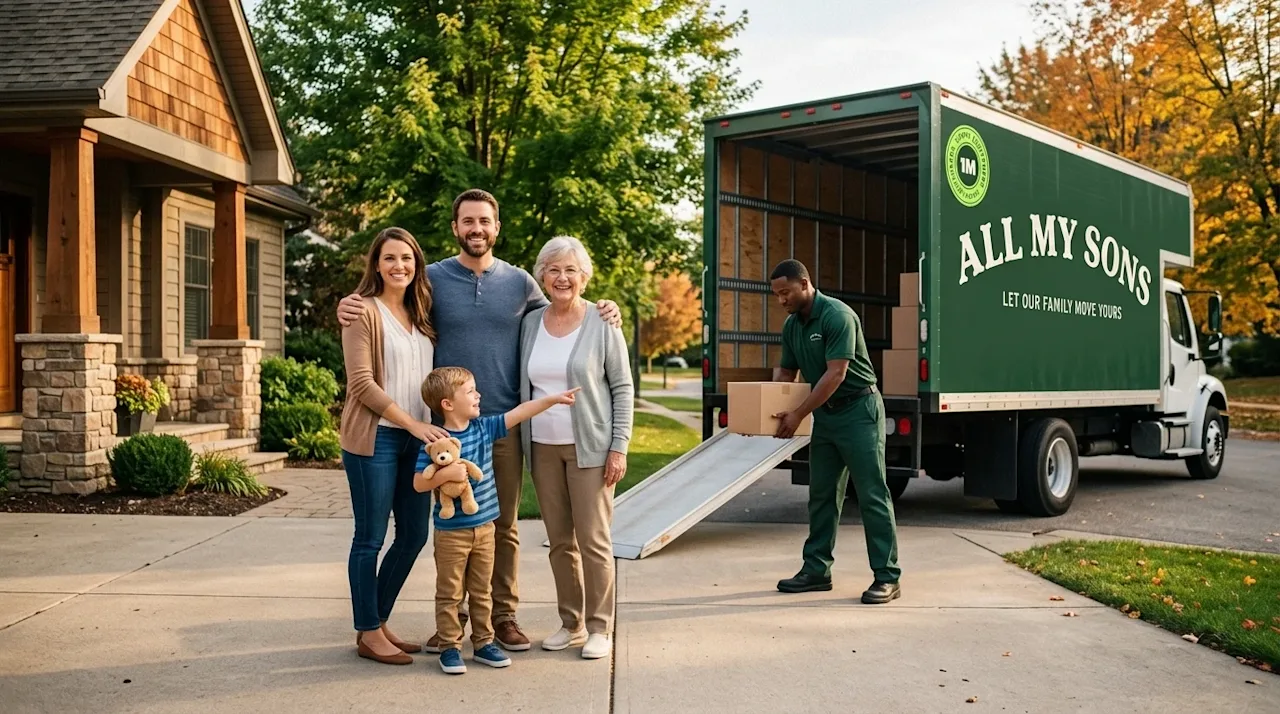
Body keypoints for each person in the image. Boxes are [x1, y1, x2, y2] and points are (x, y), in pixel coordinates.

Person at [337, 188, 620, 651]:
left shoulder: (521, 283)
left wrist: (606, 308)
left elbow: (562, 310)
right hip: (442, 432)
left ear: (496, 227)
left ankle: (502, 616)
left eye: (484, 221)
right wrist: (349, 305)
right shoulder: (432, 281)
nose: (476, 229)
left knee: (500, 526)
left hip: (502, 423)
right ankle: (454, 620)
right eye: (467, 221)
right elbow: (388, 305)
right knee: (451, 526)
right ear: (455, 228)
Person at [338, 226, 460, 665]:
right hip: (377, 439)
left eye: (407, 259)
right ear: (376, 264)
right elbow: (361, 385)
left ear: (416, 265)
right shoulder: (361, 312)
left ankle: (377, 620)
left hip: (417, 441)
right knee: (369, 538)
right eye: (390, 258)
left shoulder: (421, 313)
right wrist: (411, 424)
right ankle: (368, 632)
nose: (399, 266)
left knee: (412, 535)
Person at [416, 366, 581, 674]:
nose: (478, 395)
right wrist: (444, 475)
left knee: (482, 591)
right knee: (450, 592)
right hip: (450, 534)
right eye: (470, 392)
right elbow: (418, 483)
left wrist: (552, 399)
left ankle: (483, 643)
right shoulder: (435, 441)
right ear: (447, 404)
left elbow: (520, 412)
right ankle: (450, 647)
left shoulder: (485, 428)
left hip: (486, 529)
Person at [518, 236, 633, 660]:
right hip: (543, 447)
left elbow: (622, 387)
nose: (562, 277)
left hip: (592, 447)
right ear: (542, 276)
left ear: (584, 276)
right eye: (553, 269)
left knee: (594, 540)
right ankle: (571, 623)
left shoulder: (603, 322)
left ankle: (601, 626)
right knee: (559, 542)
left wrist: (618, 447)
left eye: (570, 270)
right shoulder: (531, 322)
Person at [767, 259, 902, 604]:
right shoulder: (792, 326)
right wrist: (768, 407)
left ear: (804, 284)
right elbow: (785, 373)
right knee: (822, 495)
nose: (781, 300)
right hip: (825, 417)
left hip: (859, 411)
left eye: (785, 292)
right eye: (777, 295)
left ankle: (887, 577)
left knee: (872, 495)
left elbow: (836, 374)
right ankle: (816, 570)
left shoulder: (836, 316)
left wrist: (798, 414)